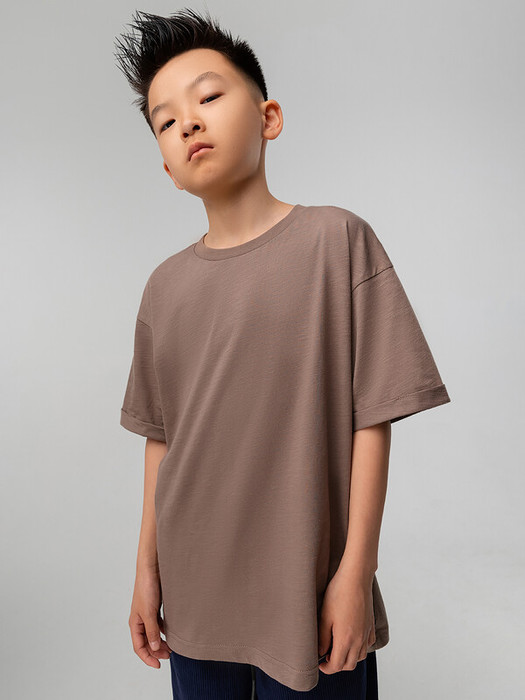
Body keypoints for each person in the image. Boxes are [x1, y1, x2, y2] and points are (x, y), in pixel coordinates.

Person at [114, 8, 451, 699]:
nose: (189, 123)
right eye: (166, 121)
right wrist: (146, 572)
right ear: (166, 167)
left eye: (209, 97)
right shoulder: (162, 287)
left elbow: (372, 418)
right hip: (195, 592)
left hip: (305, 589)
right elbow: (161, 440)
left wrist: (354, 574)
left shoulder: (337, 242)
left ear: (268, 117)